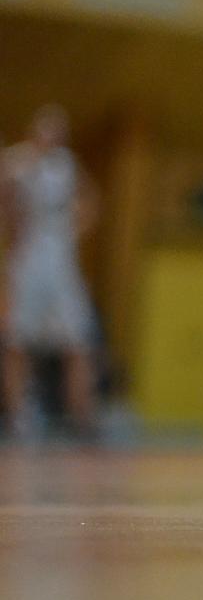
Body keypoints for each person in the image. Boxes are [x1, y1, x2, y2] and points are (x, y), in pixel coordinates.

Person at [1, 105, 100, 441]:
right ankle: (18, 416)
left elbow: (91, 201)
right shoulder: (16, 164)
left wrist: (74, 228)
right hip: (27, 263)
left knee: (79, 338)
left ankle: (82, 417)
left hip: (61, 263)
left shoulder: (67, 165)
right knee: (18, 339)